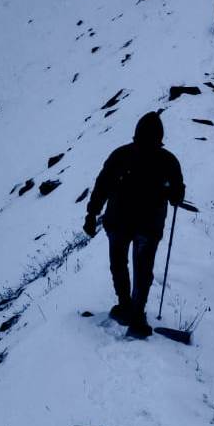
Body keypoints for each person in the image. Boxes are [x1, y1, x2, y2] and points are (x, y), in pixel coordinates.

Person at [83, 112, 185, 339]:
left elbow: (102, 186)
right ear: (160, 137)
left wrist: (92, 214)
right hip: (149, 225)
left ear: (136, 134)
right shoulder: (168, 161)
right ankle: (136, 313)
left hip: (119, 221)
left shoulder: (121, 155)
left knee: (119, 264)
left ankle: (126, 306)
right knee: (142, 269)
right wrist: (174, 194)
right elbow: (177, 194)